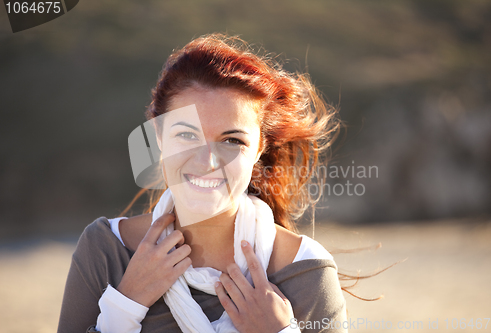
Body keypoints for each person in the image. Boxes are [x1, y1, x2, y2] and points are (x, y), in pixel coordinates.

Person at [57, 33, 347, 333]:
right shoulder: (106, 250)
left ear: (260, 149)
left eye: (232, 141)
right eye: (186, 135)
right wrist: (125, 305)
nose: (206, 162)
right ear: (159, 139)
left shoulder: (306, 270)